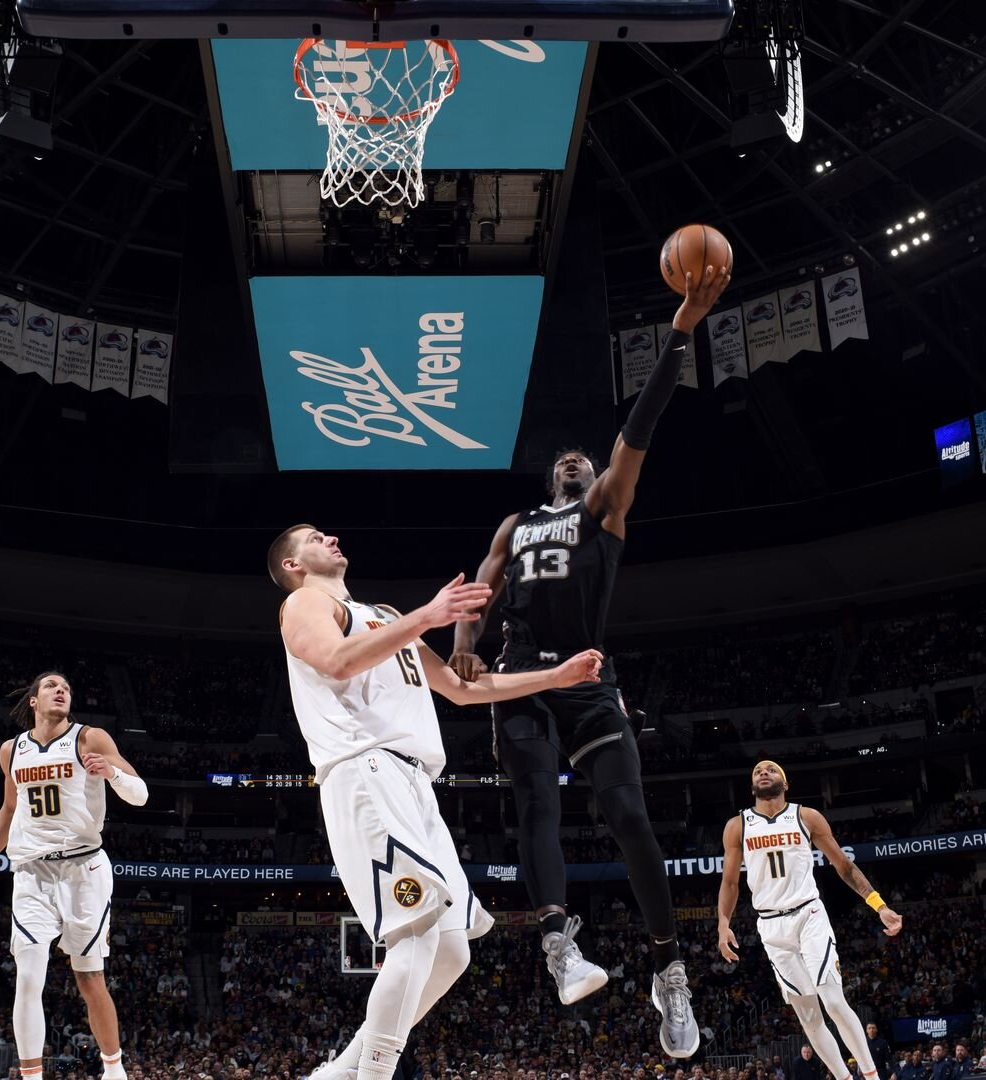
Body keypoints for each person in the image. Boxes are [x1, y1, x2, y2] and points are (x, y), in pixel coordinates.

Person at [446, 263, 732, 1057]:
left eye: (587, 459)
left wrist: (680, 329)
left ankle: (669, 972)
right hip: (520, 672)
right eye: (566, 460)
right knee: (536, 799)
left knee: (629, 815)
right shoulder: (515, 523)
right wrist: (465, 651)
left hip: (589, 675)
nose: (577, 461)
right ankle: (559, 944)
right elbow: (479, 591)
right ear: (550, 478)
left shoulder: (605, 508)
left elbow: (640, 425)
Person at [269, 524, 607, 1080]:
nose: (329, 537)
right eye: (312, 537)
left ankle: (339, 1073)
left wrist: (556, 677)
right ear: (292, 566)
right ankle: (374, 1074)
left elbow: (460, 688)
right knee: (419, 931)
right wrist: (426, 616)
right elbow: (335, 661)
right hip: (365, 770)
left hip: (413, 783)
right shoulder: (304, 601)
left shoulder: (379, 613)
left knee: (452, 950)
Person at [0, 672, 148, 1080]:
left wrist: (112, 774)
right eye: (51, 686)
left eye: (66, 688)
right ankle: (31, 1076)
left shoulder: (90, 738)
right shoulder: (12, 750)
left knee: (90, 978)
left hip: (84, 869)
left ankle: (114, 1071)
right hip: (32, 871)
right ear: (33, 700)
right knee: (28, 974)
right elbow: (9, 810)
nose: (61, 691)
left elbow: (141, 793)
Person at [718, 761, 903, 1080]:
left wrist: (879, 905)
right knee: (808, 1015)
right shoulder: (738, 826)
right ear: (752, 787)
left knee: (832, 999)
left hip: (809, 914)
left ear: (785, 783)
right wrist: (723, 922)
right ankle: (844, 1078)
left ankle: (871, 1077)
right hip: (771, 926)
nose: (764, 772)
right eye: (758, 771)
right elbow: (731, 882)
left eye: (771, 770)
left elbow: (844, 866)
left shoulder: (806, 817)